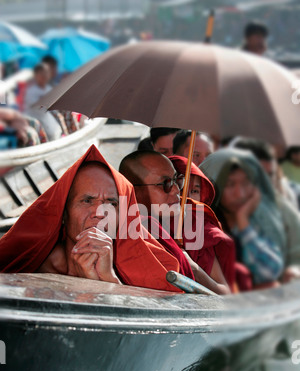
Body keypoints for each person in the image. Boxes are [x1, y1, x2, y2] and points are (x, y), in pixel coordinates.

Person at [0, 145, 182, 293]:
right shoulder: (37, 270)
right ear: (64, 214)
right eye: (87, 201)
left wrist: (108, 278)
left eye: (111, 203)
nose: (100, 212)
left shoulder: (137, 270)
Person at [119, 150, 239, 295]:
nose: (176, 190)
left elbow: (225, 293)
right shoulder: (120, 234)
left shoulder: (194, 225)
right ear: (133, 190)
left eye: (177, 180)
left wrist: (193, 268)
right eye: (165, 183)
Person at [200, 148, 300, 287]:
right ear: (213, 186)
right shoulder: (199, 224)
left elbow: (269, 272)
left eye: (245, 183)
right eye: (230, 184)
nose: (239, 194)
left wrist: (243, 222)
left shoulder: (263, 218)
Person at [24, 63, 62, 141]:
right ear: (36, 75)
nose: (44, 76)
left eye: (46, 73)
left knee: (56, 130)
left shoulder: (49, 88)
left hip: (46, 115)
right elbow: (33, 105)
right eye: (41, 74)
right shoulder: (31, 91)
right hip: (35, 116)